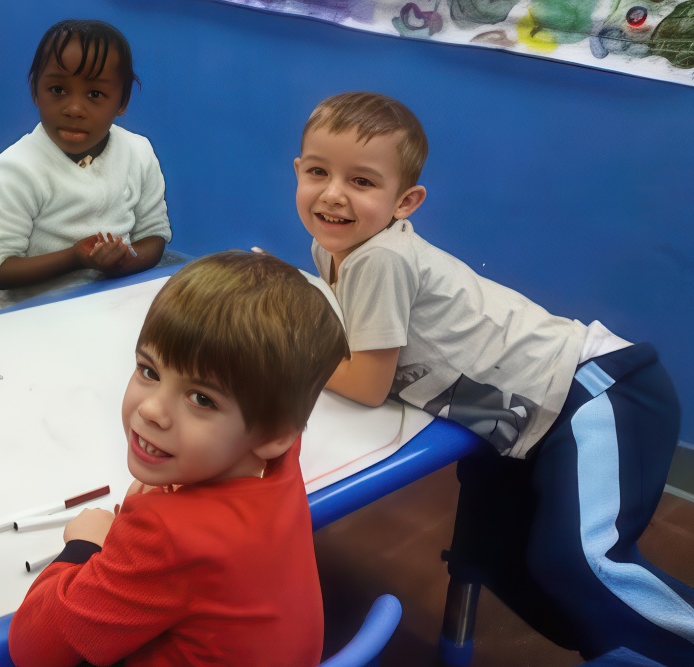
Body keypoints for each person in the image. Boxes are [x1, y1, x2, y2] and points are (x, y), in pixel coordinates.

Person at [295, 91, 694, 664]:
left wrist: (294, 355)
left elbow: (367, 383)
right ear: (298, 172)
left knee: (579, 562)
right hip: (533, 416)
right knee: (506, 558)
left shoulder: (378, 257)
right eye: (318, 172)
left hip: (599, 392)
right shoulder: (332, 244)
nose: (332, 194)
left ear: (405, 201)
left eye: (361, 182)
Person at [8, 250, 349, 666]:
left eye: (201, 398)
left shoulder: (164, 537)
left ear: (274, 434)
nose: (151, 409)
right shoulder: (277, 461)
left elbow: (33, 648)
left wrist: (86, 544)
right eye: (148, 371)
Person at [0, 19, 172, 311]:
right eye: (58, 89)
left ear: (122, 102)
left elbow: (154, 236)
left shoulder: (138, 152)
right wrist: (75, 258)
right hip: (35, 317)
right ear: (36, 91)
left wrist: (124, 260)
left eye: (95, 94)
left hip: (117, 303)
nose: (74, 109)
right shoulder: (16, 169)